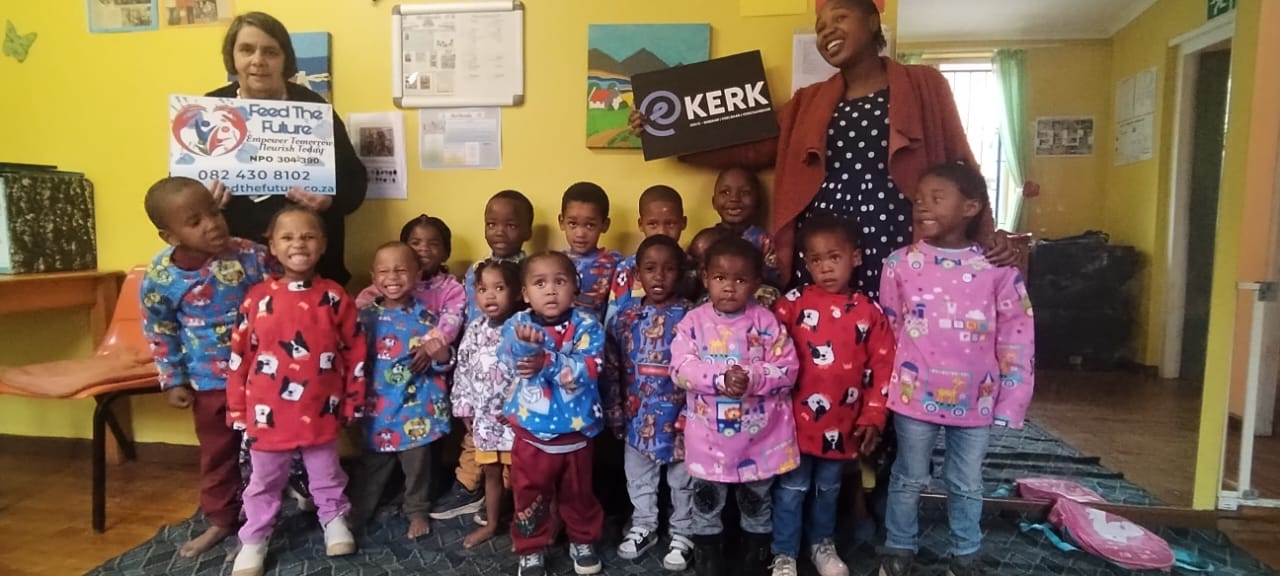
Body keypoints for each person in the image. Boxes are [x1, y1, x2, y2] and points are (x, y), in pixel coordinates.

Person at [630, 0, 1025, 298]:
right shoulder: (810, 101)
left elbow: (960, 162)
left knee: (897, 334)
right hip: (823, 243)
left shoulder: (924, 84)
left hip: (897, 236)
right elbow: (754, 149)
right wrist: (670, 136)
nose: (827, 31)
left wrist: (985, 235)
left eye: (840, 17)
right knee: (825, 342)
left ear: (872, 21)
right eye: (820, 27)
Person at [876, 163, 1035, 576]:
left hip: (976, 399)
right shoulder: (898, 264)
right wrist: (888, 387)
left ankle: (965, 553)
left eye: (936, 198)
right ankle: (899, 546)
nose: (922, 206)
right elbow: (891, 329)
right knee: (909, 476)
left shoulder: (998, 269)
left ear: (970, 207)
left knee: (965, 481)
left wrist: (1013, 398)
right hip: (914, 396)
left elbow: (1016, 335)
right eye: (919, 199)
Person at [225, 206, 367, 576]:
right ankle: (254, 538)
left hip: (321, 408)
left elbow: (355, 351)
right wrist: (237, 407)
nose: (298, 244)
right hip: (267, 413)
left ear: (323, 244)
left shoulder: (335, 297)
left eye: (308, 236)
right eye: (287, 237)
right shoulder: (256, 298)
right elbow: (240, 355)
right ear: (272, 246)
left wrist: (353, 400)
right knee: (264, 480)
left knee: (327, 472)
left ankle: (334, 519)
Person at [139, 177, 274, 558]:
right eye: (195, 221)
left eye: (214, 212)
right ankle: (221, 519)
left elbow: (282, 294)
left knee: (266, 452)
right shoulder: (162, 277)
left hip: (262, 378)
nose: (213, 224)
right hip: (209, 383)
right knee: (218, 454)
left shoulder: (250, 255)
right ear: (170, 236)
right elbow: (160, 330)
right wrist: (173, 380)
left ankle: (261, 521)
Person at [769, 215, 896, 576]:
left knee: (828, 488)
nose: (825, 267)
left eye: (834, 257)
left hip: (842, 424)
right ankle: (784, 552)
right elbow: (767, 349)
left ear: (855, 257)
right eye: (816, 259)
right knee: (792, 488)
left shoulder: (870, 312)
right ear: (806, 262)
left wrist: (873, 416)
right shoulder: (791, 305)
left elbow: (883, 368)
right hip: (792, 424)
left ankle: (822, 544)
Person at [206, 11, 367, 286]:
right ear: (232, 56)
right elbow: (182, 193)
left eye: (270, 51)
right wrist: (205, 203)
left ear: (285, 59)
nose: (258, 60)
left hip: (308, 267)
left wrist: (329, 200)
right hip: (233, 269)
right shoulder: (209, 108)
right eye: (247, 49)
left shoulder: (313, 108)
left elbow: (354, 183)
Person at [669, 238, 800, 576]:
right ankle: (708, 560)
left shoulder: (767, 323)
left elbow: (788, 370)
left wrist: (753, 377)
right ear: (705, 277)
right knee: (706, 502)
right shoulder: (693, 323)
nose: (729, 287)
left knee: (756, 502)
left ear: (756, 283)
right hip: (709, 440)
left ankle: (754, 559)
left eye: (740, 280)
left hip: (759, 440)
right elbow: (680, 368)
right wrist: (720, 378)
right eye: (720, 278)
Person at [501, 252, 607, 576]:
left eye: (559, 281)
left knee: (579, 494)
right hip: (532, 434)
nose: (550, 290)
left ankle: (583, 539)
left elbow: (589, 367)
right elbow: (508, 356)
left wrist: (546, 361)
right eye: (540, 283)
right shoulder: (517, 324)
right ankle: (530, 548)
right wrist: (526, 348)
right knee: (529, 494)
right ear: (525, 293)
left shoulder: (587, 324)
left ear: (574, 288)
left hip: (576, 433)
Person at [431, 189, 534, 523]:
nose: (500, 231)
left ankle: (504, 500)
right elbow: (465, 317)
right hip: (479, 373)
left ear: (528, 231)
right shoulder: (477, 269)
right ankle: (469, 488)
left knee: (515, 449)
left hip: (512, 382)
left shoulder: (531, 270)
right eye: (492, 224)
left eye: (510, 225)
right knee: (474, 438)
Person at [603, 235, 696, 571]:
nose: (659, 276)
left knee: (683, 480)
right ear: (637, 274)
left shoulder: (693, 317)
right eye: (651, 268)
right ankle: (644, 525)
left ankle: (683, 532)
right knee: (639, 477)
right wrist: (615, 411)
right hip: (637, 416)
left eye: (669, 269)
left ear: (681, 273)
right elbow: (612, 367)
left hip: (683, 419)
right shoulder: (625, 317)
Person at [349, 242, 454, 541]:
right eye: (383, 271)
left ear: (417, 274)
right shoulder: (363, 317)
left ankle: (417, 509)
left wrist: (441, 355)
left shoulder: (428, 319)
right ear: (373, 277)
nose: (392, 277)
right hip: (377, 408)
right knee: (372, 466)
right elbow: (351, 360)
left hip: (415, 409)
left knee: (418, 466)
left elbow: (444, 363)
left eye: (401, 270)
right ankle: (358, 512)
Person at [451, 259, 524, 548]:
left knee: (521, 476)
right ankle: (492, 524)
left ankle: (524, 525)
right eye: (482, 289)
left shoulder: (524, 327)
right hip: (486, 420)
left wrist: (517, 408)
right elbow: (463, 369)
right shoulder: (475, 329)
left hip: (517, 421)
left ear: (517, 292)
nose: (490, 295)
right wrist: (464, 407)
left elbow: (532, 374)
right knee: (491, 473)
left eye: (499, 288)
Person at [356, 215, 465, 345]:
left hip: (428, 351)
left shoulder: (452, 290)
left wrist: (425, 345)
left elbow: (450, 325)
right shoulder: (390, 283)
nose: (424, 248)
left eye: (433, 244)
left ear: (446, 253)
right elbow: (356, 316)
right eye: (415, 243)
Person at [605, 184, 689, 327]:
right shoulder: (627, 269)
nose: (662, 232)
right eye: (653, 224)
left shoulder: (690, 265)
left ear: (683, 223)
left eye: (670, 224)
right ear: (641, 224)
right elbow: (614, 319)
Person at [559, 182, 623, 321]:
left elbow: (619, 306)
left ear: (605, 225)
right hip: (561, 331)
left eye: (590, 225)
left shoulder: (614, 262)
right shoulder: (555, 262)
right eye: (573, 224)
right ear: (561, 222)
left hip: (596, 332)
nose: (580, 234)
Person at [710, 167, 781, 287]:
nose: (734, 199)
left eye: (745, 193)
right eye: (725, 192)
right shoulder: (707, 239)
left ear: (758, 202)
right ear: (714, 202)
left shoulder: (763, 241)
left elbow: (774, 278)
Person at [686, 226, 782, 309]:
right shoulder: (700, 308)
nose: (700, 267)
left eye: (707, 260)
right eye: (696, 261)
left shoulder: (762, 304)